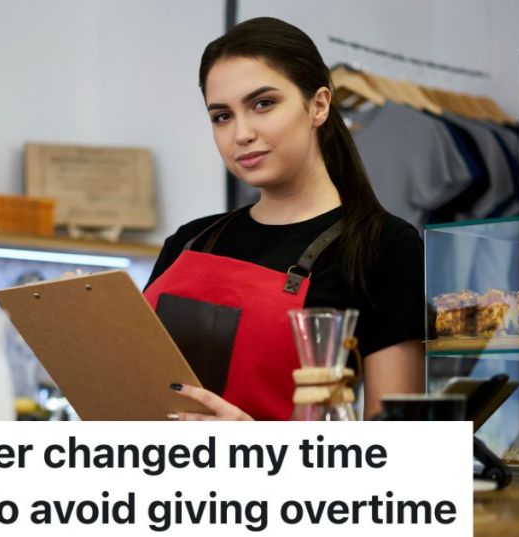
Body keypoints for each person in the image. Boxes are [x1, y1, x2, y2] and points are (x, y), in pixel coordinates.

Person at [143, 17, 424, 421]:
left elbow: (399, 449)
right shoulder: (188, 241)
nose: (241, 133)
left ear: (319, 105)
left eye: (263, 104)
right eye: (221, 116)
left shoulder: (384, 245)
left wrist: (256, 445)